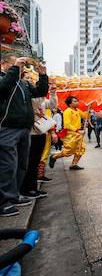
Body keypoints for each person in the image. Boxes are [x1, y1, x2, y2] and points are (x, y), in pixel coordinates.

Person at [0, 56, 49, 217]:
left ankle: (14, 195)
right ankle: (3, 202)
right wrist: (15, 68)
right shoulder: (5, 79)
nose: (21, 66)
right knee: (8, 165)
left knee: (22, 164)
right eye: (16, 63)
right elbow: (2, 90)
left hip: (24, 128)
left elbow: (40, 92)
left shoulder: (23, 83)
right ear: (3, 64)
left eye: (21, 64)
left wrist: (42, 75)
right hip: (8, 128)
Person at [21, 72, 58, 199]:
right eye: (27, 79)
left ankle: (32, 188)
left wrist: (53, 94)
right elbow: (37, 102)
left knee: (35, 161)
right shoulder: (28, 97)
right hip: (31, 133)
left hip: (40, 132)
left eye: (31, 79)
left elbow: (53, 105)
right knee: (30, 162)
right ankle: (27, 189)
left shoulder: (41, 99)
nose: (30, 80)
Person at [49, 96, 88, 171]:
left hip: (78, 134)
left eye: (77, 101)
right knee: (68, 151)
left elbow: (85, 116)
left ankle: (74, 164)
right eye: (75, 101)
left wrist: (88, 109)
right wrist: (77, 130)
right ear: (70, 104)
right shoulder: (67, 111)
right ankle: (54, 157)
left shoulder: (77, 110)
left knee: (81, 149)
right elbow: (67, 124)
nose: (77, 102)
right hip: (70, 134)